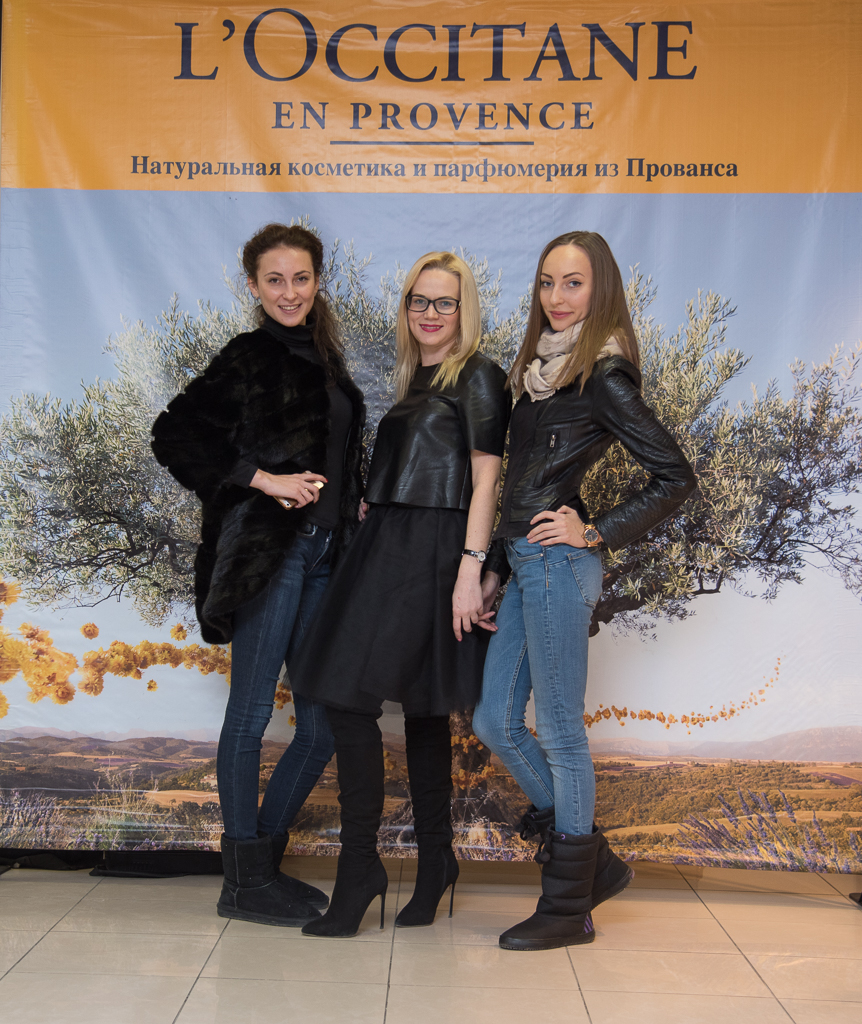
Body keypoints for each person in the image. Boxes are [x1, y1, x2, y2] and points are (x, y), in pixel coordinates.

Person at [472, 231, 697, 951]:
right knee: (494, 720)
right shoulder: (542, 373)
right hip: (525, 565)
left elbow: (676, 477)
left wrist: (594, 530)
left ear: (600, 289)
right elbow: (521, 482)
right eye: (547, 283)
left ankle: (568, 906)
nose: (557, 298)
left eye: (573, 283)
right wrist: (496, 566)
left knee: (561, 729)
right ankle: (592, 862)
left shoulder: (603, 375)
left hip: (560, 566)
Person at [151, 224, 365, 927]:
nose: (289, 292)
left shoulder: (326, 360)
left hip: (327, 555)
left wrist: (354, 501)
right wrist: (264, 480)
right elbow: (174, 434)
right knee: (248, 715)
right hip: (272, 553)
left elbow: (336, 453)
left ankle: (259, 866)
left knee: (320, 727)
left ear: (317, 281)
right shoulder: (248, 355)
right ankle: (243, 882)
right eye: (274, 280)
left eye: (300, 278)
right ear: (253, 286)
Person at [290, 251, 510, 937]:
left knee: (355, 696)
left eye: (444, 301)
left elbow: (486, 479)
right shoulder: (418, 379)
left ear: (464, 309)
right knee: (417, 707)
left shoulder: (479, 374)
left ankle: (365, 866)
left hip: (435, 549)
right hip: (387, 540)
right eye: (419, 299)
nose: (429, 312)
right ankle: (430, 861)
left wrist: (473, 570)